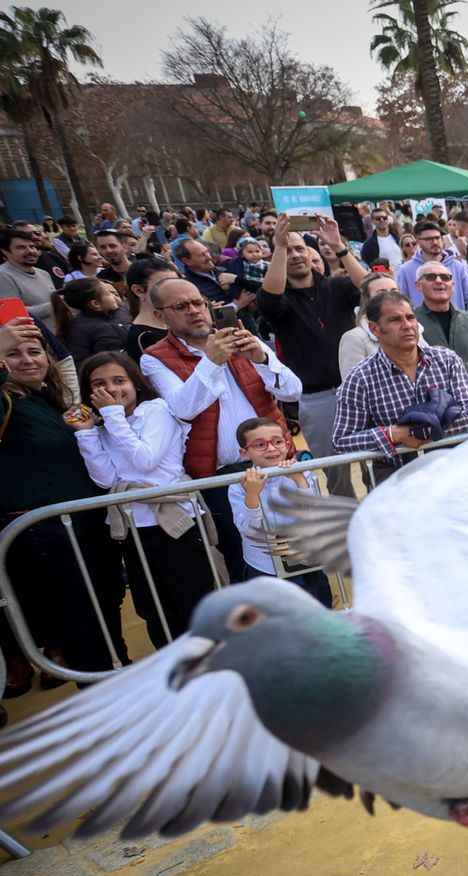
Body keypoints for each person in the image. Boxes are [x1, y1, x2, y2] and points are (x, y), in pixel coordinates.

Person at [141, 276, 302, 586]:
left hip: (275, 464)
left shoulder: (241, 340)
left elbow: (293, 391)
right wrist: (212, 361)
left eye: (198, 302)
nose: (194, 310)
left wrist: (263, 358)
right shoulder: (154, 358)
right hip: (221, 479)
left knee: (295, 551)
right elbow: (184, 408)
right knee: (244, 559)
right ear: (160, 316)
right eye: (181, 306)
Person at [0, 322, 130, 691]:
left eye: (34, 351)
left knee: (106, 605)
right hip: (47, 535)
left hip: (88, 528)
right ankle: (102, 695)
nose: (26, 360)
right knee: (81, 620)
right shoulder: (7, 402)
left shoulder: (49, 401)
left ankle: (119, 677)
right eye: (14, 353)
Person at [70, 351, 215, 646]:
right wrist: (86, 434)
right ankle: (172, 668)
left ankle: (211, 667)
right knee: (154, 607)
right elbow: (107, 480)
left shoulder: (156, 411)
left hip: (177, 521)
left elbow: (144, 460)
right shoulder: (104, 427)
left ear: (136, 383)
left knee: (192, 600)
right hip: (135, 528)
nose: (111, 389)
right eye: (99, 384)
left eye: (119, 380)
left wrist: (112, 416)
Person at [257, 220, 365, 497]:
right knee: (336, 472)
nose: (295, 255)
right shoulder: (278, 298)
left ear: (310, 252)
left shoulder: (337, 286)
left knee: (375, 461)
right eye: (287, 250)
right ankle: (345, 529)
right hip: (316, 398)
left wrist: (339, 246)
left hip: (357, 389)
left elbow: (370, 287)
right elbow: (268, 301)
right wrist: (279, 247)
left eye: (299, 248)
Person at [332, 291, 468, 481]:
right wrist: (393, 434)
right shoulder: (360, 378)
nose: (407, 325)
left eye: (410, 317)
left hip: (456, 474)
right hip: (400, 483)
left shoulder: (447, 360)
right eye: (395, 320)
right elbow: (341, 440)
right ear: (375, 329)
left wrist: (420, 433)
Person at [229, 416, 335, 606]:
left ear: (287, 444)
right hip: (263, 567)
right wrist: (252, 495)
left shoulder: (302, 472)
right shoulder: (238, 486)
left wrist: (299, 480)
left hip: (303, 562)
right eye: (260, 444)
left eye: (277, 442)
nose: (271, 448)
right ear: (245, 452)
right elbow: (247, 530)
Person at [412, 262, 468, 422]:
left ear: (453, 285)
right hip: (433, 418)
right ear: (418, 285)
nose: (439, 281)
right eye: (430, 277)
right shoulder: (411, 323)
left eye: (445, 277)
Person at [396, 220, 468, 311]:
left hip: (455, 322)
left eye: (437, 238)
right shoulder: (405, 270)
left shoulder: (458, 267)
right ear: (418, 242)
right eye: (429, 239)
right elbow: (402, 302)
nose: (435, 242)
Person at [53, 277, 127, 363]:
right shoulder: (80, 329)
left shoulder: (122, 311)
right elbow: (80, 360)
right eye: (108, 293)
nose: (114, 296)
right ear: (96, 304)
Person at [122, 258, 181, 360]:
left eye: (177, 283)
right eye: (164, 285)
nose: (175, 290)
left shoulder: (173, 322)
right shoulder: (144, 337)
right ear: (138, 291)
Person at [0, 228, 58, 324]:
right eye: (21, 247)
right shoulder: (3, 276)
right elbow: (13, 315)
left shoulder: (44, 274)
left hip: (57, 336)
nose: (30, 251)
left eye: (32, 246)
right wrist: (56, 305)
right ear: (6, 252)